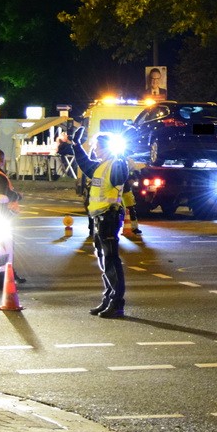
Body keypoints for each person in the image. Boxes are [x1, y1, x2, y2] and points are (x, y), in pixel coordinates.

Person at [67, 127, 136, 318]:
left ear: (106, 148)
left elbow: (121, 177)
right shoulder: (100, 166)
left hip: (110, 217)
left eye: (97, 146)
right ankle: (108, 298)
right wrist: (76, 145)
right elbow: (84, 163)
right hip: (99, 218)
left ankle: (117, 303)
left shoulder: (116, 164)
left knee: (111, 260)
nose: (94, 150)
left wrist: (121, 156)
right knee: (104, 259)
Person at [0, 149, 26, 282]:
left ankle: (7, 273)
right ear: (2, 161)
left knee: (3, 245)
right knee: (7, 246)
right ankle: (7, 274)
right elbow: (5, 193)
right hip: (4, 212)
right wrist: (18, 196)